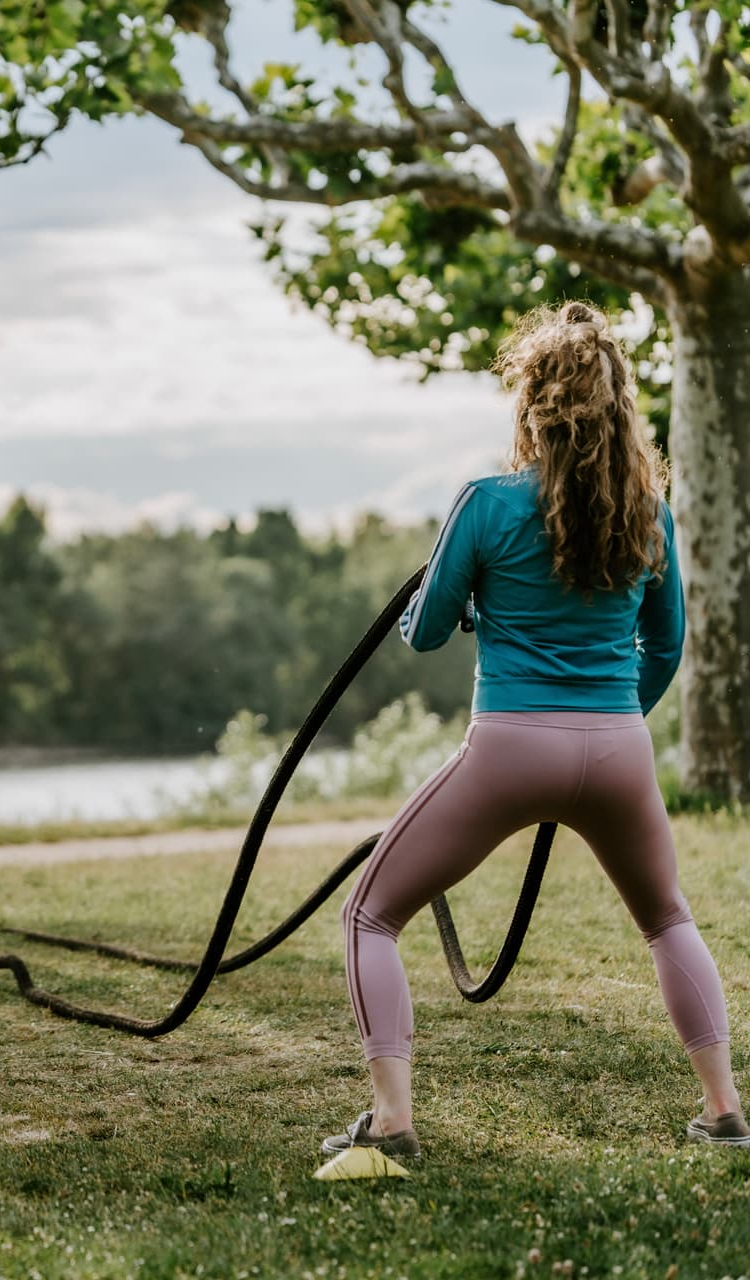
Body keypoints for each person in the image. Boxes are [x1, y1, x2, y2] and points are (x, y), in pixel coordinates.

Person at [326, 300, 746, 1159]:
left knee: (369, 915)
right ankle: (725, 1112)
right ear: (622, 406)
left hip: (509, 746)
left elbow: (429, 630)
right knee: (668, 920)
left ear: (530, 404)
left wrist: (467, 599)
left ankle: (394, 1122)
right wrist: (611, 723)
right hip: (621, 746)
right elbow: (666, 647)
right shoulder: (650, 514)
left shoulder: (484, 502)